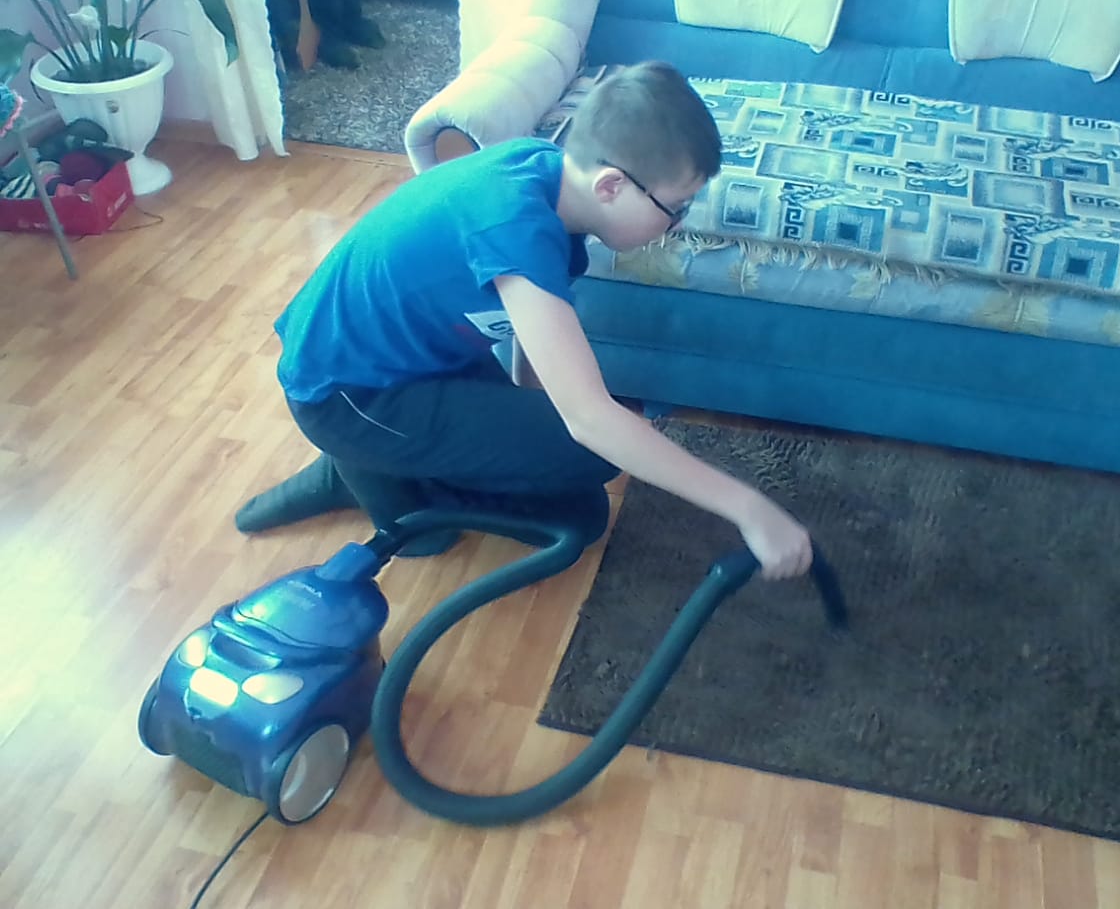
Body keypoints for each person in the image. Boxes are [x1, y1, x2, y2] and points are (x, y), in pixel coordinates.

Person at [235, 61, 812, 580]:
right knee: (577, 487)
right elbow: (589, 419)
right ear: (611, 186)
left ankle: (374, 464)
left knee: (574, 487)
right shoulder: (514, 227)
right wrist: (750, 508)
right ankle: (364, 473)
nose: (677, 225)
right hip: (347, 395)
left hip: (415, 363)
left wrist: (523, 423)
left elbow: (523, 331)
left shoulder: (547, 176)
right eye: (674, 208)